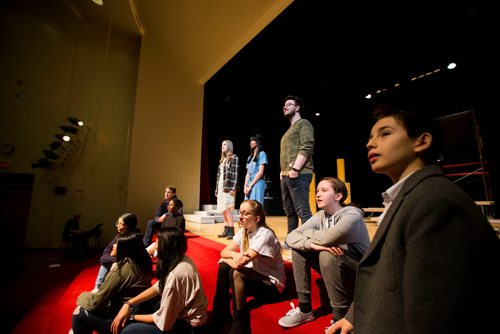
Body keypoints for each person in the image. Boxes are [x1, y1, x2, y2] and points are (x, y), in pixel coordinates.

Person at [327, 105, 500, 334]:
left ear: (422, 141)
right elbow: (391, 274)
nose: (370, 143)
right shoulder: (409, 197)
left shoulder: (435, 203)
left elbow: (435, 315)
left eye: (385, 133)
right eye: (370, 137)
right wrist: (354, 316)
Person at [277, 177, 369, 329]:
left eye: (324, 190)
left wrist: (309, 235)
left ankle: (338, 317)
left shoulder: (352, 214)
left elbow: (328, 238)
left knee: (328, 254)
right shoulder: (321, 216)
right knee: (301, 248)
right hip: (337, 269)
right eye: (317, 191)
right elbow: (291, 237)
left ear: (338, 196)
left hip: (361, 275)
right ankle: (305, 309)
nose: (318, 194)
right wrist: (313, 245)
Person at [111, 227, 208, 334]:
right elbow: (158, 286)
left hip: (188, 326)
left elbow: (164, 323)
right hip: (185, 315)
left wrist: (131, 317)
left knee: (128, 331)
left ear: (166, 247)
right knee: (145, 304)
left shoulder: (175, 276)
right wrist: (129, 303)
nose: (155, 246)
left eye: (158, 243)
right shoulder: (181, 258)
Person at [212, 199, 286, 334]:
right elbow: (224, 252)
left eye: (246, 214)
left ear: (257, 218)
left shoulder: (265, 235)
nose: (240, 217)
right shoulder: (244, 231)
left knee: (236, 272)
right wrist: (232, 256)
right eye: (240, 212)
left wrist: (226, 258)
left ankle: (239, 323)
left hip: (272, 287)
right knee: (224, 266)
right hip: (255, 277)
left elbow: (240, 264)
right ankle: (220, 311)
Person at [71, 232, 153, 334]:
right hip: (136, 313)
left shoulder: (120, 271)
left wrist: (81, 296)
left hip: (120, 321)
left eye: (116, 244)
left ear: (124, 249)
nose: (113, 245)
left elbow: (96, 303)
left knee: (79, 312)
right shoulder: (143, 263)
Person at [280, 95, 315, 246]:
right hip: (285, 175)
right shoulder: (288, 131)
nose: (285, 107)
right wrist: (281, 173)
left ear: (297, 107)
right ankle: (291, 239)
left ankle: (309, 240)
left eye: (289, 104)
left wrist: (295, 169)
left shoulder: (304, 124)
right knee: (290, 211)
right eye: (284, 105)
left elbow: (307, 145)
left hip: (299, 173)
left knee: (303, 210)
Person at [92, 213, 141, 293]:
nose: (118, 225)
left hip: (126, 264)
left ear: (129, 226)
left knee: (107, 263)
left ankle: (100, 287)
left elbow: (130, 257)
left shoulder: (131, 239)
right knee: (105, 261)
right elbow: (105, 253)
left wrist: (117, 260)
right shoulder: (118, 236)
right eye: (118, 223)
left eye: (121, 224)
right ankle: (99, 286)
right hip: (116, 259)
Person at [216, 139, 239, 240]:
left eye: (225, 144)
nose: (223, 146)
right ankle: (226, 229)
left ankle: (231, 230)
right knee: (223, 209)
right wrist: (216, 189)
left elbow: (235, 174)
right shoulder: (222, 160)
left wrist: (233, 188)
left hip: (228, 187)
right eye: (222, 145)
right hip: (221, 186)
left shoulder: (234, 158)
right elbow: (219, 176)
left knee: (227, 208)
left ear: (229, 145)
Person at [243, 134, 268, 205]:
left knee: (256, 206)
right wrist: (245, 187)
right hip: (249, 184)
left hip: (257, 183)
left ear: (258, 142)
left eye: (253, 140)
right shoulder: (249, 157)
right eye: (250, 141)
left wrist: (250, 186)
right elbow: (248, 173)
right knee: (248, 206)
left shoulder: (262, 154)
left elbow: (260, 172)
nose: (251, 142)